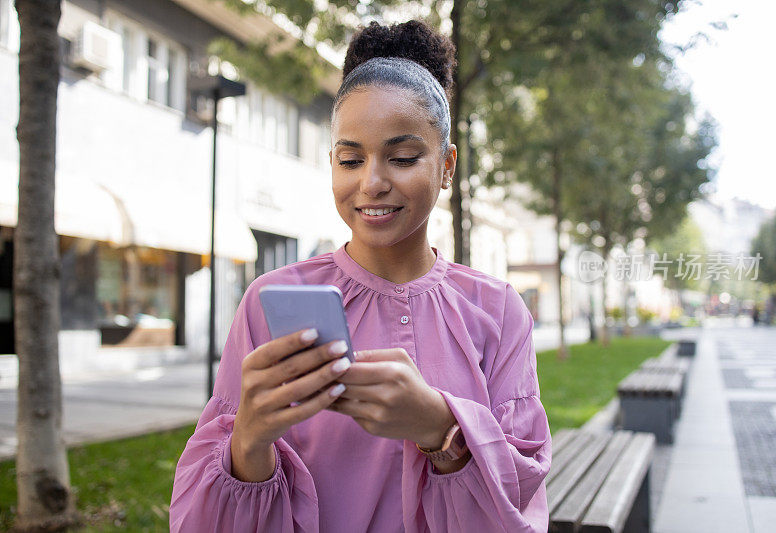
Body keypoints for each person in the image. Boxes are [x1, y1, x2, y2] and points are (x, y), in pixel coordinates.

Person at [170, 19, 551, 532]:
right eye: (351, 160)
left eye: (402, 157)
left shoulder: (498, 311)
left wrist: (440, 428)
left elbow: (518, 500)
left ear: (446, 166)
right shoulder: (271, 300)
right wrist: (248, 439)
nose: (371, 183)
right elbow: (207, 517)